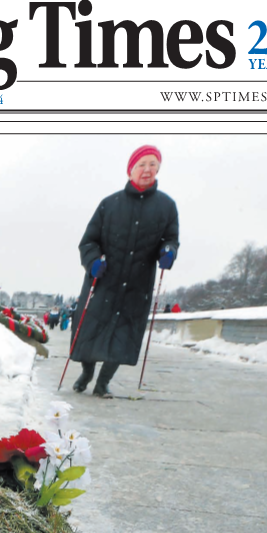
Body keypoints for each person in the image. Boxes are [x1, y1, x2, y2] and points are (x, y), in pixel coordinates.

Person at [70, 144, 179, 397]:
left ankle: (102, 383)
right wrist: (93, 260)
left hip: (137, 285)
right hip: (104, 280)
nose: (147, 170)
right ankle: (87, 372)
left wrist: (168, 252)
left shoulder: (167, 206)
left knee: (123, 335)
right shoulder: (109, 204)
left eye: (153, 164)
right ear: (131, 170)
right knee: (90, 330)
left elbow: (171, 239)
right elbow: (88, 241)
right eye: (142, 165)